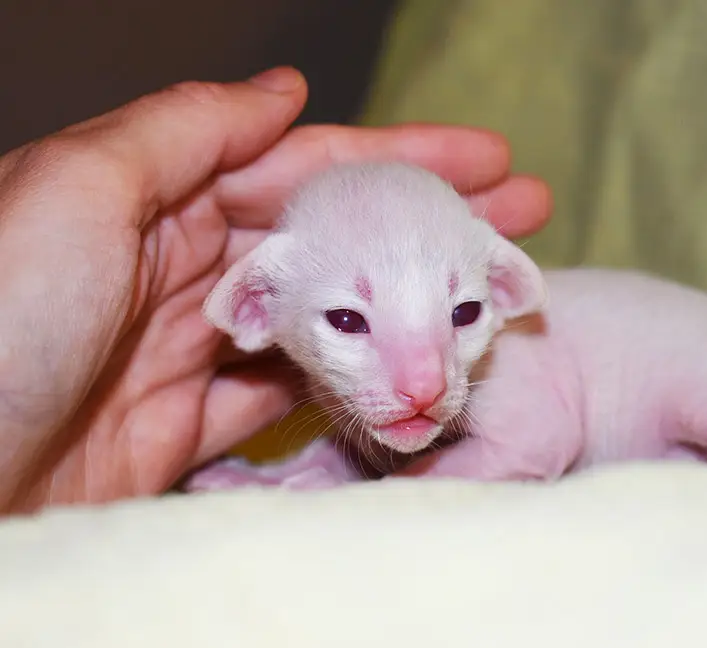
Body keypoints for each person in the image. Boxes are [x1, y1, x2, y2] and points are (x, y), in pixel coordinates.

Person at [0, 66, 552, 514]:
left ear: (502, 287)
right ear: (258, 304)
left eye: (463, 313)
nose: (426, 383)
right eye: (348, 320)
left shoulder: (522, 368)